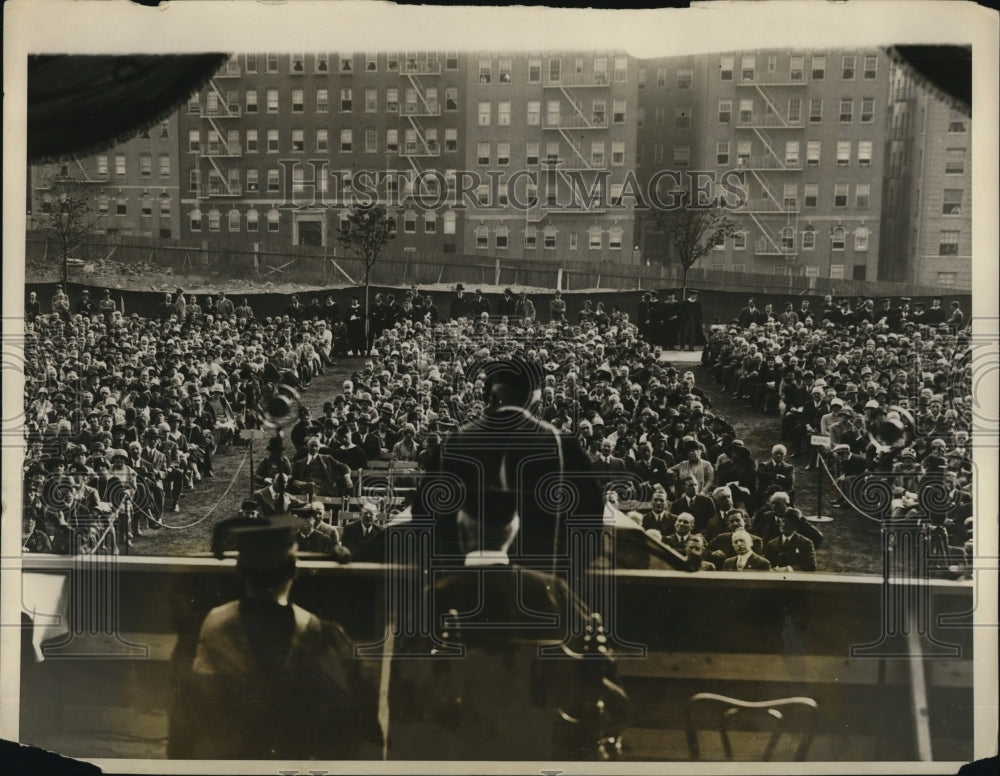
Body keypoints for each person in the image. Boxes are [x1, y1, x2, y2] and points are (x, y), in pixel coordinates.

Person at [387, 465, 628, 761]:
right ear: (513, 532)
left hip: (457, 751)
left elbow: (404, 686)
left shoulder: (435, 596)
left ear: (463, 529)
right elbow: (599, 670)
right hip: (544, 748)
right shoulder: (552, 589)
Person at [169, 516, 381, 759]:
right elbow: (355, 706)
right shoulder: (316, 632)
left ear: (240, 570)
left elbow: (193, 711)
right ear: (294, 571)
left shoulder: (213, 626)